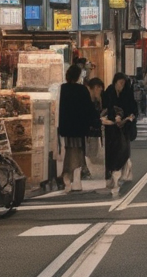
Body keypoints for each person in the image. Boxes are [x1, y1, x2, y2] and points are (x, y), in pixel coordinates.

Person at [57, 64, 96, 193]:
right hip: (79, 127)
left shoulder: (63, 89)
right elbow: (88, 108)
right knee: (78, 151)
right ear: (78, 76)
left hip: (67, 126)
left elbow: (60, 109)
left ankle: (69, 177)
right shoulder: (82, 90)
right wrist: (94, 121)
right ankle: (72, 178)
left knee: (70, 150)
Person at [102, 73, 137, 194]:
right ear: (115, 81)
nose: (121, 85)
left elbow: (132, 107)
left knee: (122, 149)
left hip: (123, 127)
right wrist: (114, 117)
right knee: (113, 151)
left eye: (123, 83)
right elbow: (106, 107)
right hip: (111, 127)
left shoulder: (126, 93)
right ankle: (114, 174)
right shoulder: (109, 92)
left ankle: (120, 171)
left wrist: (129, 117)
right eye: (120, 82)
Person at [84, 76, 105, 179]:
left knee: (92, 155)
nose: (100, 92)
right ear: (96, 88)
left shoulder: (94, 101)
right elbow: (89, 118)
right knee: (90, 155)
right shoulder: (86, 100)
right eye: (100, 89)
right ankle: (85, 172)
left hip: (93, 133)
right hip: (88, 134)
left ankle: (86, 172)